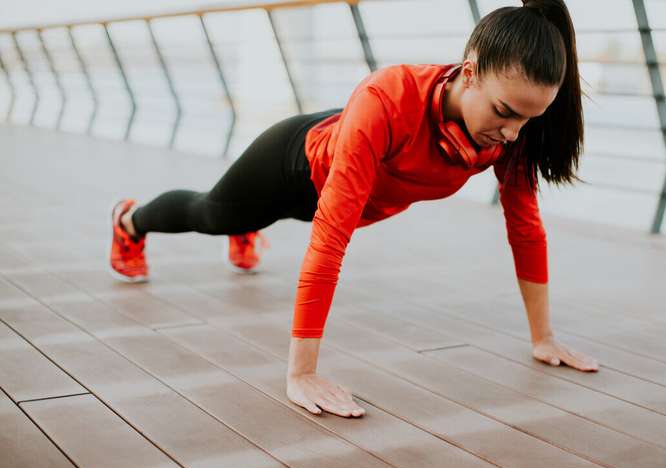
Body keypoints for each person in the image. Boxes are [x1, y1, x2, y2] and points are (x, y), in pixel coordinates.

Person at [109, 0, 599, 419]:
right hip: (292, 165)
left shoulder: (509, 135)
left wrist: (545, 338)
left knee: (253, 217)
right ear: (469, 74)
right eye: (505, 113)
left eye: (528, 119)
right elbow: (329, 238)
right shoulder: (389, 98)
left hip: (351, 174)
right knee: (212, 215)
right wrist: (301, 373)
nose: (513, 132)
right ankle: (129, 220)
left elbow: (526, 229)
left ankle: (250, 225)